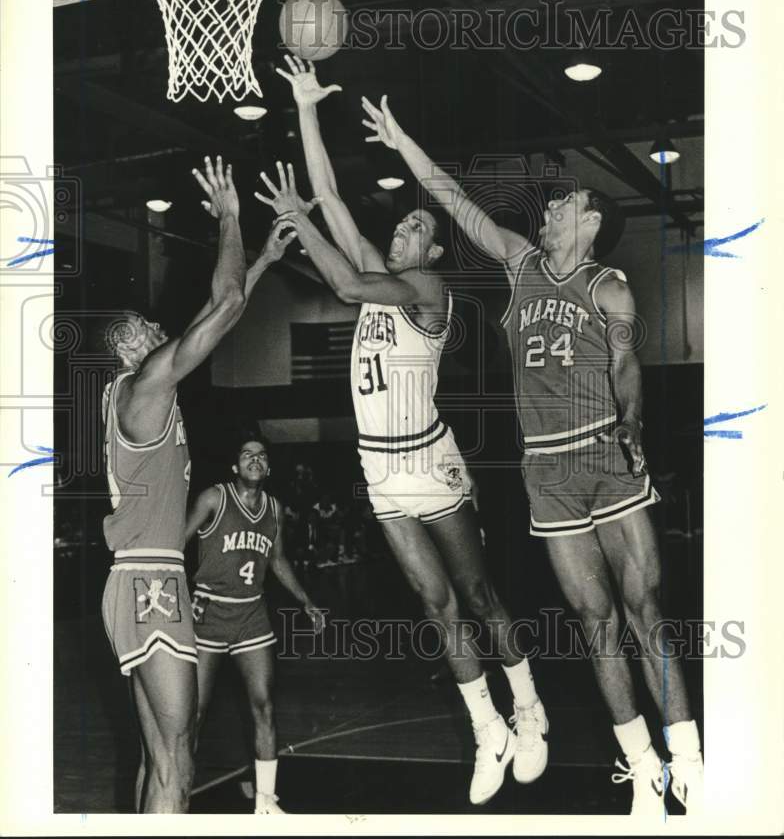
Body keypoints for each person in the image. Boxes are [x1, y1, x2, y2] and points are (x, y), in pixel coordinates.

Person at [359, 95, 704, 816]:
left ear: (591, 222)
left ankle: (690, 763)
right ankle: (642, 770)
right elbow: (454, 202)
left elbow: (625, 362)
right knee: (595, 623)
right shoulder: (518, 264)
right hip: (545, 469)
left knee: (644, 610)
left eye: (561, 207)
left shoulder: (605, 284)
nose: (545, 214)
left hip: (604, 455)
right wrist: (402, 143)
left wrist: (633, 420)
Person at [254, 57, 550, 807]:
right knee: (434, 606)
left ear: (433, 252)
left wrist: (299, 226)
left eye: (417, 225)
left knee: (477, 594)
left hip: (430, 461)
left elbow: (348, 282)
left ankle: (530, 709)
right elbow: (327, 196)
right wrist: (305, 109)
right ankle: (488, 730)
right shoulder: (379, 272)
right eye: (405, 220)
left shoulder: (428, 291)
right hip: (381, 471)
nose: (404, 228)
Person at [100, 157, 298, 813]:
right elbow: (226, 305)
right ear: (130, 349)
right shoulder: (147, 387)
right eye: (143, 328)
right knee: (178, 759)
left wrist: (263, 261)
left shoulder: (138, 393)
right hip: (151, 584)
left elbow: (221, 315)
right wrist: (233, 218)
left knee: (159, 756)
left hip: (142, 581)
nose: (157, 329)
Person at [185, 433, 323, 814]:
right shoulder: (214, 498)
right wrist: (177, 599)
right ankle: (177, 791)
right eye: (247, 455)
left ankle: (266, 801)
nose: (255, 460)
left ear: (269, 467)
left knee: (263, 706)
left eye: (262, 456)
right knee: (194, 711)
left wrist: (306, 601)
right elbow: (176, 542)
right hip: (209, 613)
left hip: (251, 615)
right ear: (235, 465)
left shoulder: (274, 509)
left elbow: (277, 561)